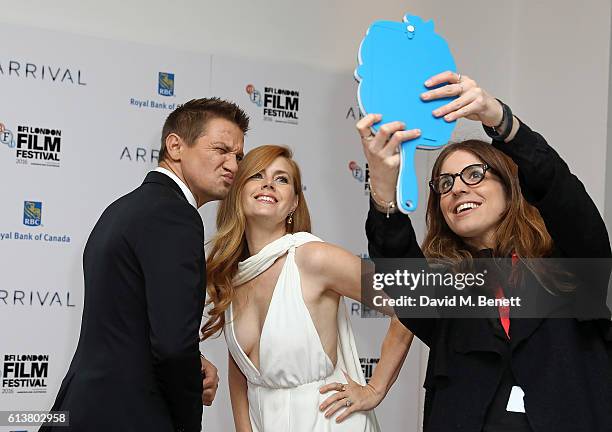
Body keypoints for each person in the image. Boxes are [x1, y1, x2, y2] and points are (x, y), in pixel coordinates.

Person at [358, 71, 612, 431]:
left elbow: (562, 191)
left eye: (474, 174)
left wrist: (501, 121)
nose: (457, 189)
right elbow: (398, 268)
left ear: (509, 188)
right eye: (445, 184)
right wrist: (384, 191)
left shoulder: (570, 266)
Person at [40, 98, 249, 432]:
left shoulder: (124, 208)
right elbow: (171, 345)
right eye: (221, 149)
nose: (233, 165)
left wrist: (190, 361)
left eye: (238, 156)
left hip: (85, 409)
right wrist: (185, 420)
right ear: (175, 146)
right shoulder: (174, 215)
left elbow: (129, 322)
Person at [201, 145, 414, 432]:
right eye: (257, 175)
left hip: (328, 422)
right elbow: (242, 371)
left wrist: (374, 389)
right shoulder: (233, 278)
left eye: (282, 179)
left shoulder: (312, 258)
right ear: (238, 192)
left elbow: (415, 298)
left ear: (294, 203)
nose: (268, 184)